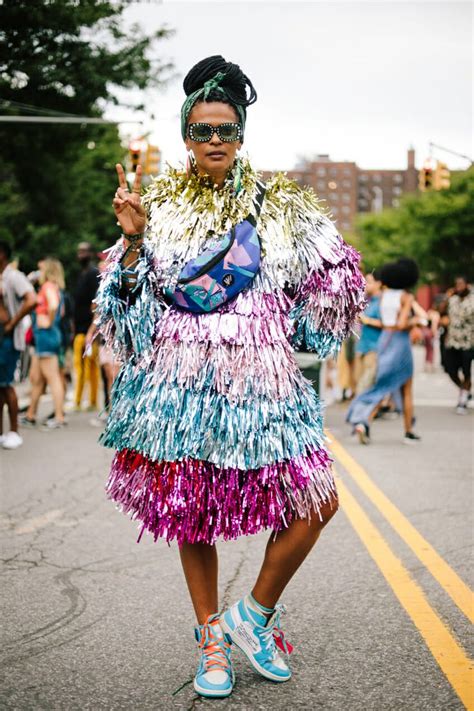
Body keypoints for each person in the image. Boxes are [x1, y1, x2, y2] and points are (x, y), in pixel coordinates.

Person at [94, 56, 366, 699]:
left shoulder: (280, 207)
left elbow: (339, 280)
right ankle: (211, 636)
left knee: (318, 499)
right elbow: (119, 317)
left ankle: (254, 614)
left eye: (226, 128)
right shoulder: (153, 206)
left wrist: (297, 332)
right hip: (177, 393)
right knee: (191, 515)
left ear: (241, 133)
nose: (214, 139)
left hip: (264, 389)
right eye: (201, 129)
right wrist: (132, 243)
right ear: (185, 135)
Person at [347, 258, 426, 445]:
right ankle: (408, 431)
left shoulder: (384, 296)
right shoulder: (406, 297)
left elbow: (385, 321)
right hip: (399, 342)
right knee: (406, 388)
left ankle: (363, 421)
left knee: (382, 385)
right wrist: (415, 322)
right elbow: (400, 324)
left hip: (384, 340)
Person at [22, 258, 66, 429]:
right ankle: (30, 414)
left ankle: (59, 416)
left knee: (52, 377)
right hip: (45, 336)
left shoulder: (48, 287)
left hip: (46, 335)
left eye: (41, 269)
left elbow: (54, 306)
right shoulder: (55, 287)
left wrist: (48, 320)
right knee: (38, 379)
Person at [0, 241, 36, 449]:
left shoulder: (13, 276)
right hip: (2, 337)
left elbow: (32, 300)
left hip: (8, 338)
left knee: (6, 385)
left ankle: (14, 431)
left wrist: (13, 324)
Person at [72, 242, 100, 410]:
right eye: (79, 252)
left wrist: (93, 328)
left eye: (84, 252)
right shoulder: (81, 275)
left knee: (91, 366)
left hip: (90, 329)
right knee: (79, 365)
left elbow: (96, 303)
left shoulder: (93, 274)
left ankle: (92, 401)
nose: (80, 255)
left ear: (90, 253)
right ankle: (77, 400)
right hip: (79, 328)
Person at [442, 276, 474, 414]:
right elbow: (441, 311)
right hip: (453, 341)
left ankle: (463, 400)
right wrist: (447, 296)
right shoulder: (452, 299)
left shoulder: (473, 300)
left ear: (467, 285)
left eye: (461, 284)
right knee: (449, 369)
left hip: (469, 342)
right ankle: (464, 390)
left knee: (466, 371)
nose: (459, 287)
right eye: (457, 284)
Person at [354, 270, 382, 394]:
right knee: (359, 384)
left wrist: (367, 320)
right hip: (363, 348)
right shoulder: (368, 301)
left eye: (369, 282)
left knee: (365, 387)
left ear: (378, 284)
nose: (365, 284)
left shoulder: (382, 302)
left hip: (374, 349)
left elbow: (388, 324)